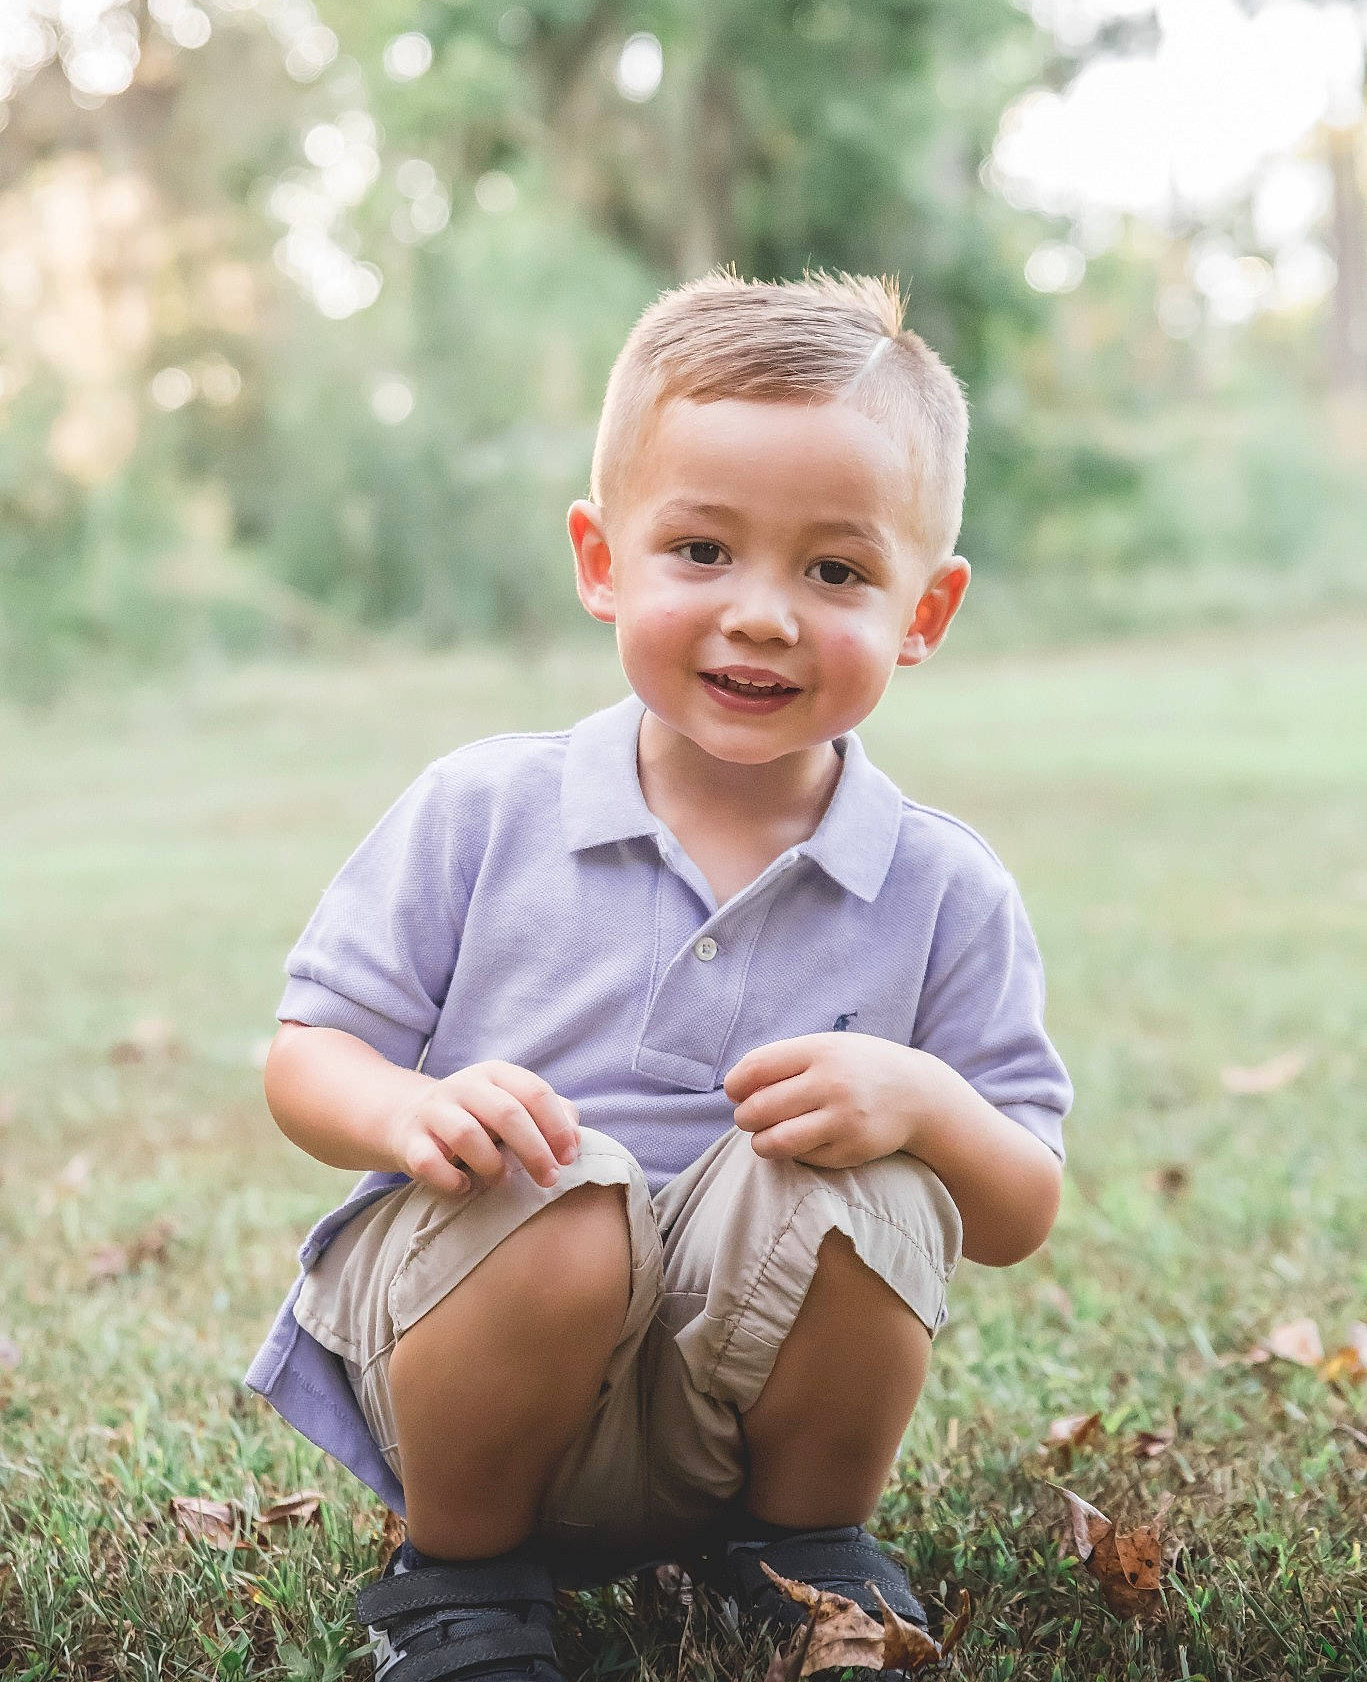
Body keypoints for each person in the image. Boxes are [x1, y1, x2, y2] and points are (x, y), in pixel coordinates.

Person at [247, 271, 1072, 1682]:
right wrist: (407, 1115)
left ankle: (798, 1552)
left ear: (923, 609)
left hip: (733, 1410)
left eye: (835, 571)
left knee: (869, 1176)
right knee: (560, 1194)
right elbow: (306, 1056)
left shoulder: (941, 886)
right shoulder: (483, 809)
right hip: (479, 1372)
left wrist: (925, 1102)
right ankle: (461, 1578)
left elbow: (1019, 1207)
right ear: (600, 559)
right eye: (701, 550)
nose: (762, 615)